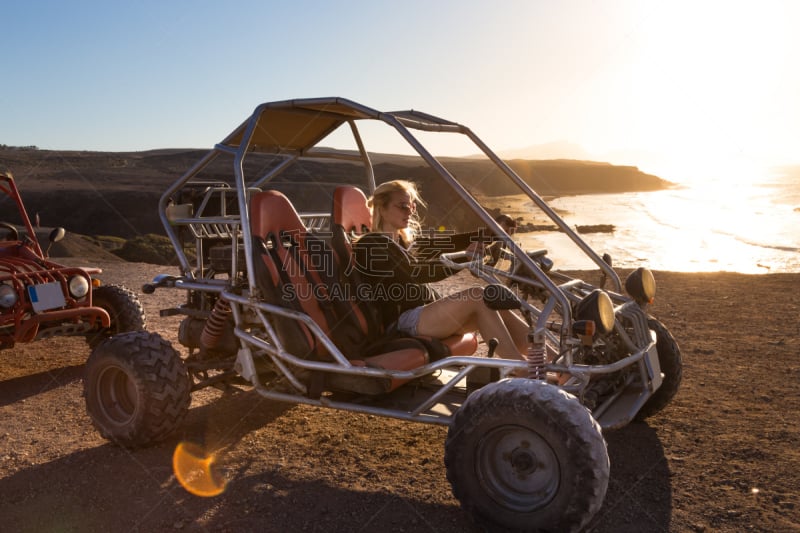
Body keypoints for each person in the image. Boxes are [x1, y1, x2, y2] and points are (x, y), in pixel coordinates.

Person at [352, 180, 528, 360]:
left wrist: (491, 233)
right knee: (478, 296)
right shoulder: (371, 245)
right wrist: (464, 257)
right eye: (403, 206)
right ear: (382, 207)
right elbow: (416, 272)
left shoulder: (403, 242)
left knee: (496, 306)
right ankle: (525, 371)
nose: (410, 211)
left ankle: (554, 363)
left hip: (423, 313)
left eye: (411, 206)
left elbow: (449, 243)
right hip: (401, 322)